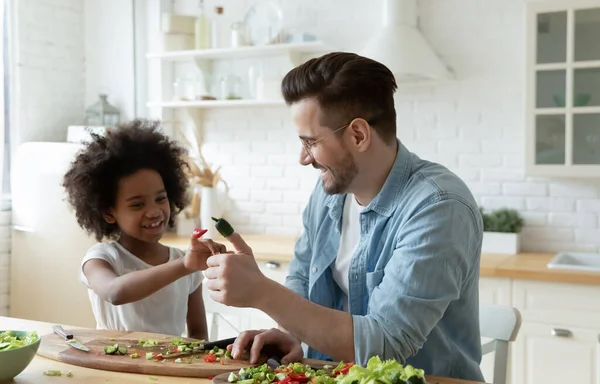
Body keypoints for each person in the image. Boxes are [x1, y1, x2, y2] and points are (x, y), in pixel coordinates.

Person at [199, 52, 485, 381]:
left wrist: (262, 292)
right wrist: (292, 333)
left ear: (359, 135)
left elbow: (386, 345)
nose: (303, 158)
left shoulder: (439, 206)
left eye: (311, 142)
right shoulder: (329, 193)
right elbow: (303, 280)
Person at [62, 119, 223, 339]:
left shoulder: (183, 264)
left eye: (160, 198)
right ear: (109, 213)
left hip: (169, 368)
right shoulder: (101, 258)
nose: (154, 211)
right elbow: (115, 292)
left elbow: (197, 333)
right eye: (137, 204)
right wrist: (184, 265)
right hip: (113, 367)